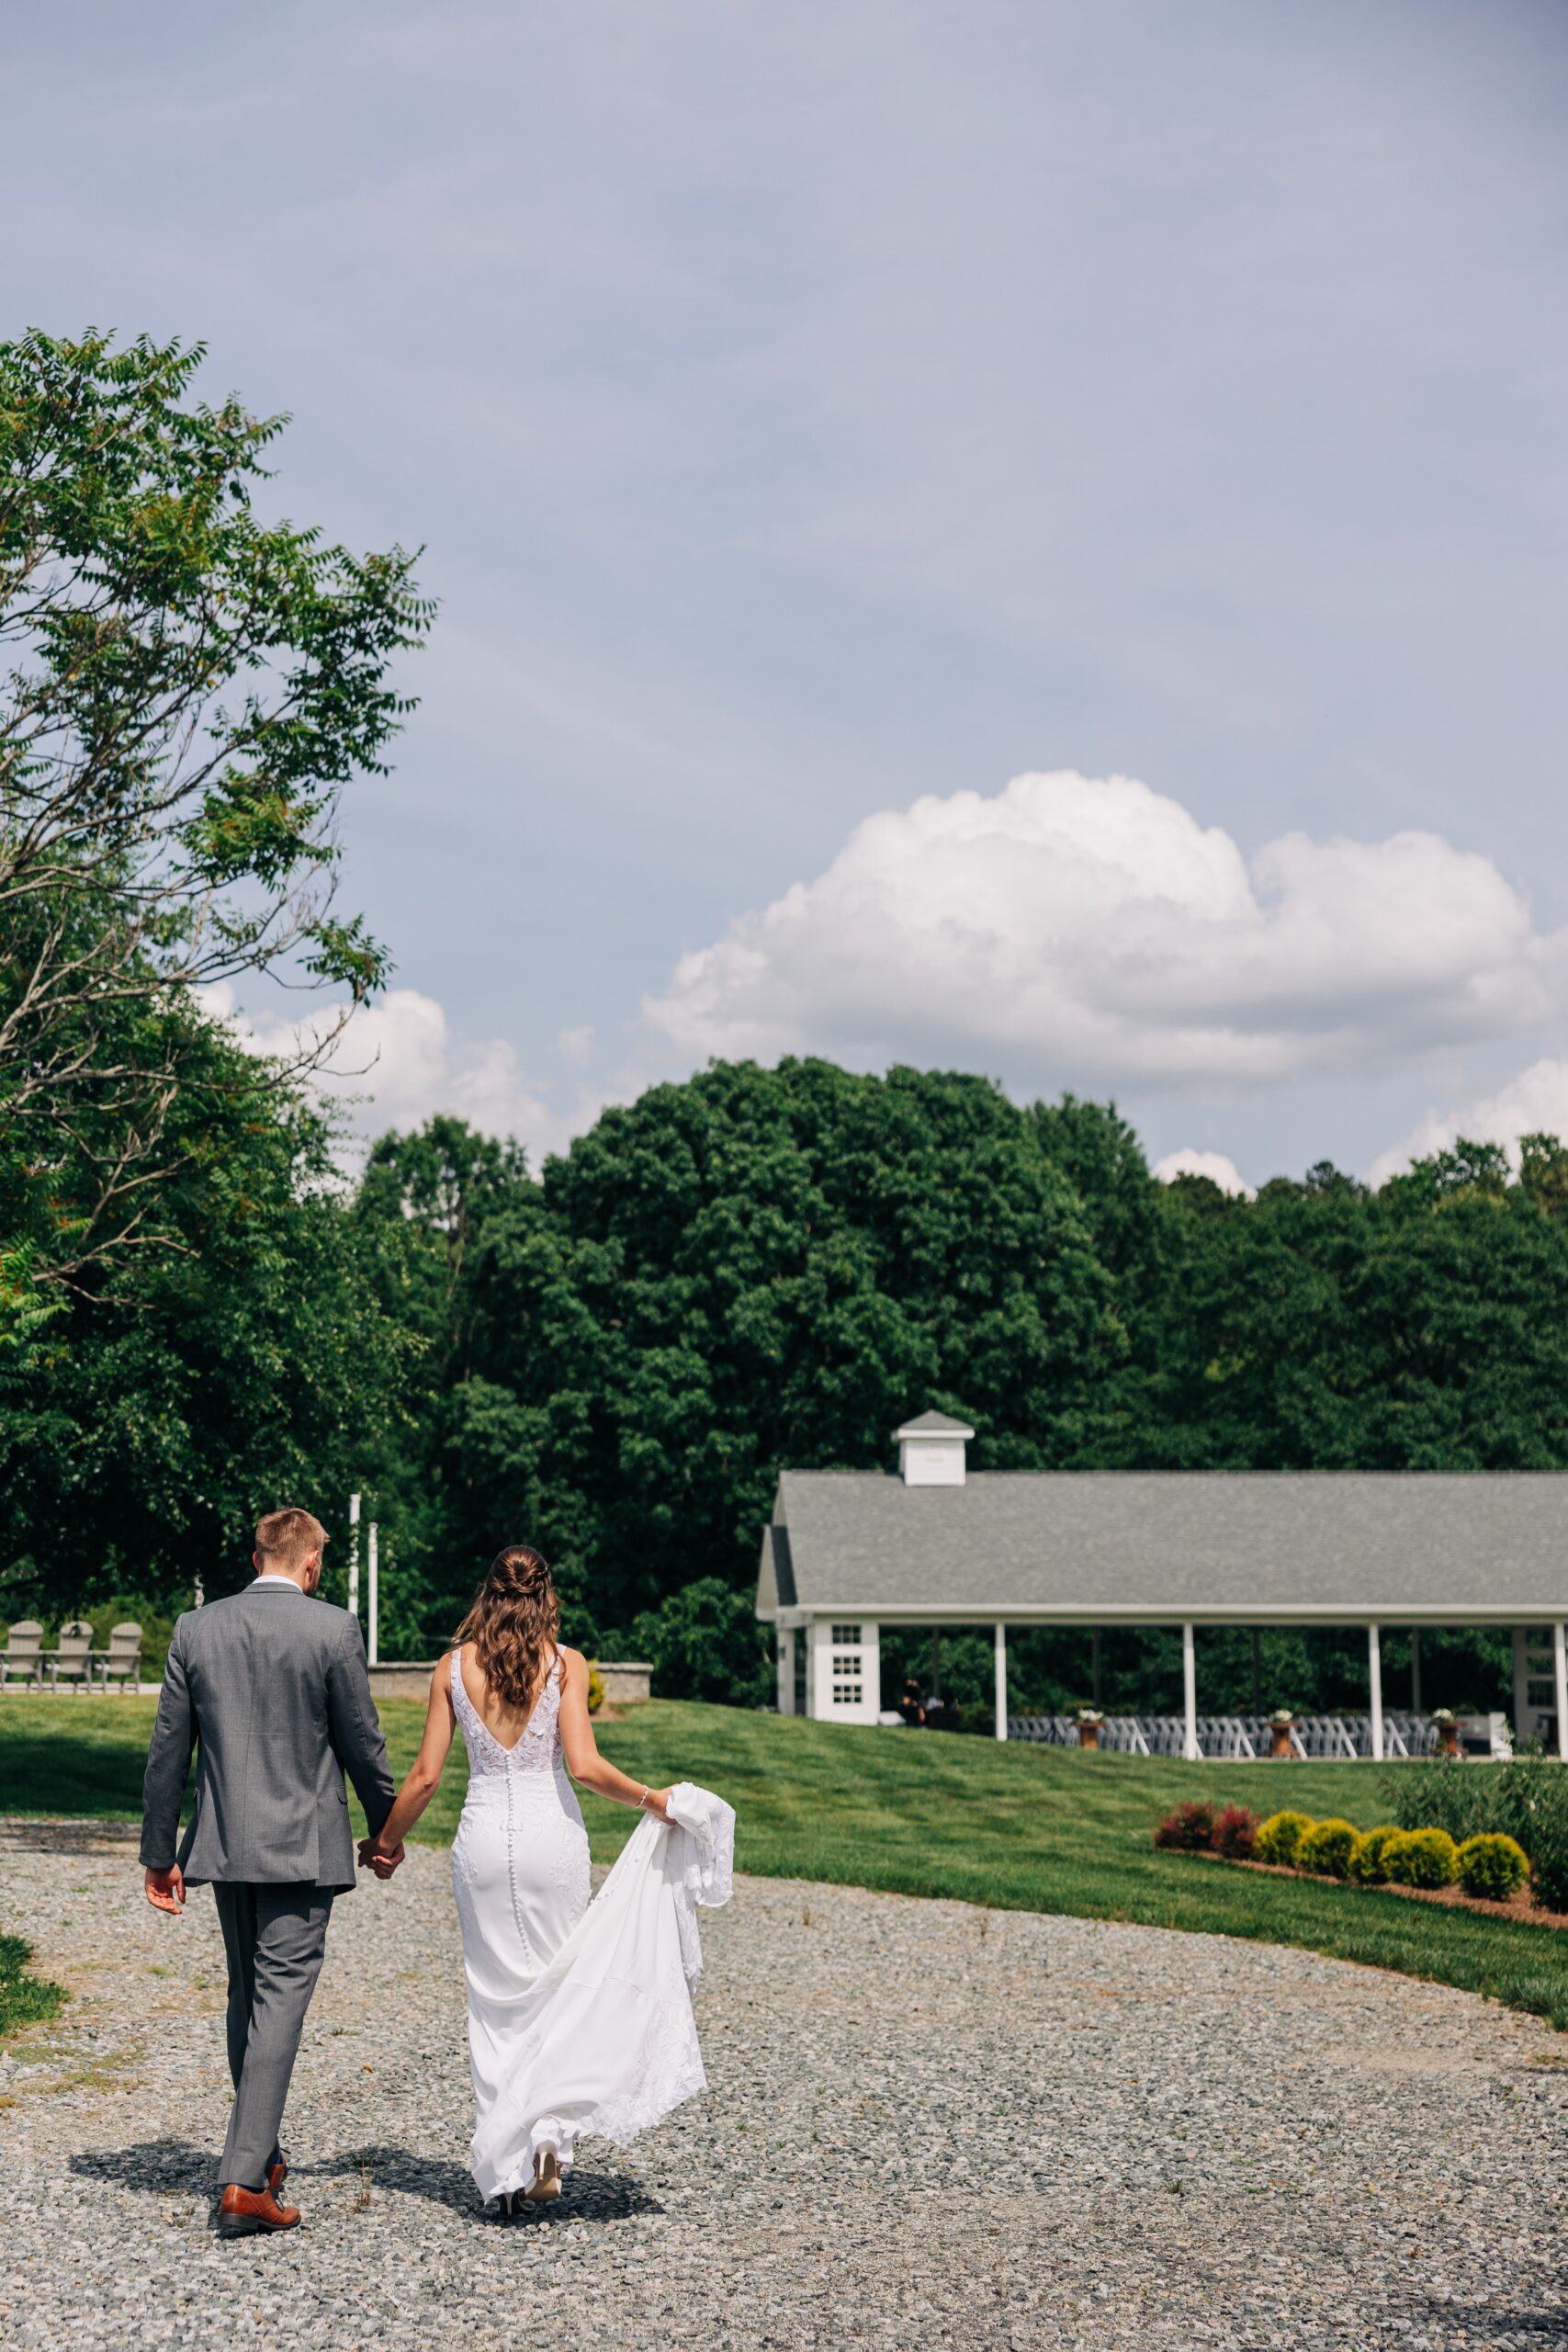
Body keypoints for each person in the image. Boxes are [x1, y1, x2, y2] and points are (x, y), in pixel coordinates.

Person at [364, 1544, 729, 2212]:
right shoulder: (565, 1665)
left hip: (479, 1842)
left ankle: (503, 2171)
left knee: (496, 2002)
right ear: (544, 1594)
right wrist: (657, 1799)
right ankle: (547, 2145)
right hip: (551, 1839)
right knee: (557, 1990)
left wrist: (385, 1843)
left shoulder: (451, 1667)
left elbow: (423, 1777)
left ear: (488, 1592)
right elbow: (585, 1768)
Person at [140, 1506, 398, 2237]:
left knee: (249, 1994)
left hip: (225, 1847)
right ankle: (245, 2181)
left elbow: (168, 1752)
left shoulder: (198, 1628)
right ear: (311, 1564)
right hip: (301, 1849)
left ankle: (263, 2156)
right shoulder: (333, 1628)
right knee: (277, 2000)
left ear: (258, 1558)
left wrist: (161, 1855)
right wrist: (387, 1830)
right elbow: (363, 1744)